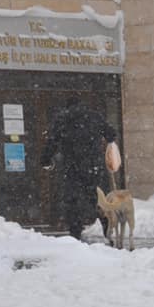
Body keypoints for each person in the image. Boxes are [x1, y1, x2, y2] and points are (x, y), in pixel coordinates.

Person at [40, 98, 118, 240]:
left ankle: (75, 232)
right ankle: (104, 222)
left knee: (72, 199)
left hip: (72, 166)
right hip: (93, 165)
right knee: (96, 196)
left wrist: (46, 159)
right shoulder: (94, 116)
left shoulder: (63, 119)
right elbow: (111, 134)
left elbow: (52, 141)